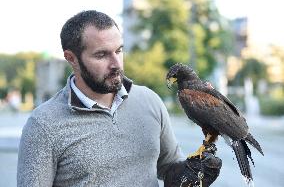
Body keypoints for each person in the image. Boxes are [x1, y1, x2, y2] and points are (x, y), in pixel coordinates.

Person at [17, 10, 221, 187]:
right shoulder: (43, 125)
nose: (116, 64)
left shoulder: (149, 101)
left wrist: (193, 174)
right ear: (71, 58)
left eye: (119, 50)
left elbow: (168, 168)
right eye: (101, 55)